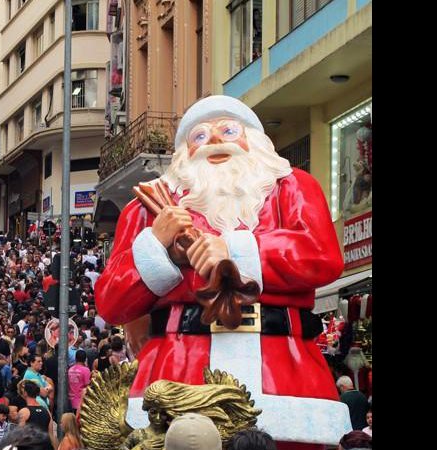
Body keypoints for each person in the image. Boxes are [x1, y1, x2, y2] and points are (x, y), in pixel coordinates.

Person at [95, 95, 350, 448]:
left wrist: (237, 249)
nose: (213, 140)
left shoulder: (293, 187)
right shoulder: (148, 209)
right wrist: (159, 248)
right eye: (199, 135)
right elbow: (111, 301)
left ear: (255, 142)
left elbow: (322, 255)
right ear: (184, 150)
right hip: (179, 368)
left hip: (282, 368)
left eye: (228, 130)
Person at [17, 382, 58, 448]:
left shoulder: (23, 412)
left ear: (25, 393)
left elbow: (20, 436)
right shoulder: (46, 411)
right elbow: (51, 436)